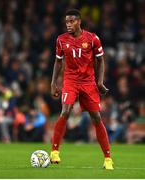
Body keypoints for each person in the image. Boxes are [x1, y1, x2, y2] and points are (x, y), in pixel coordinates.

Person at [50, 9, 114, 170]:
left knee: (96, 118)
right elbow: (58, 62)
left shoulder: (92, 39)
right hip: (70, 80)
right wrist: (53, 83)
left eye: (71, 21)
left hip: (88, 82)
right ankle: (54, 151)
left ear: (79, 21)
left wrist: (99, 82)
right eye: (66, 22)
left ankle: (108, 159)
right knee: (65, 111)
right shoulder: (61, 40)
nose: (68, 25)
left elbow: (101, 61)